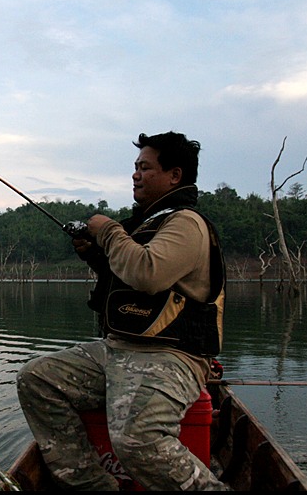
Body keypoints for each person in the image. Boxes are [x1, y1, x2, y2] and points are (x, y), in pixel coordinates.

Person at [16, 131, 228, 491]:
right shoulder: (145, 225)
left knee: (137, 440)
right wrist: (96, 254)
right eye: (135, 167)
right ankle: (95, 485)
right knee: (36, 379)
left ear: (174, 175)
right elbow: (129, 281)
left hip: (173, 357)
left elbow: (147, 274)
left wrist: (109, 232)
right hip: (119, 350)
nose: (135, 175)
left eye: (145, 168)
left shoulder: (186, 223)